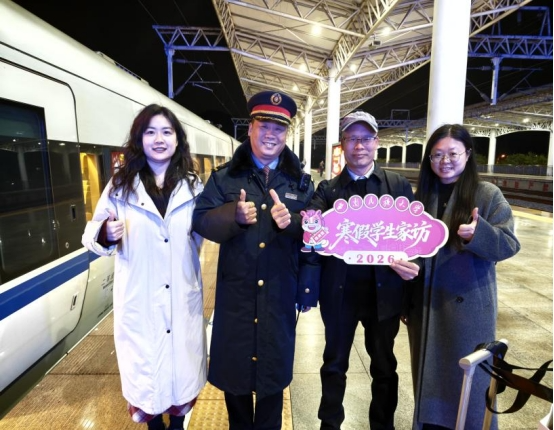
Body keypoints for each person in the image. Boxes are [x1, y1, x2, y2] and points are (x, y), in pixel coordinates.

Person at [192, 90, 317, 430]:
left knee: (272, 385)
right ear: (250, 128)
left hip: (279, 296)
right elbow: (200, 220)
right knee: (235, 384)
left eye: (279, 128)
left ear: (286, 134)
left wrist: (293, 225)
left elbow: (317, 237)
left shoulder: (301, 182)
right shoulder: (224, 178)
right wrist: (232, 216)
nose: (271, 134)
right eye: (264, 126)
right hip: (237, 298)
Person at [81, 104, 206, 430]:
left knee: (180, 380)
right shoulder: (119, 186)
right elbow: (89, 235)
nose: (159, 139)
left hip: (182, 296)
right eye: (150, 132)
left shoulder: (193, 186)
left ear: (177, 139)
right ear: (139, 139)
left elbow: (203, 233)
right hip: (140, 300)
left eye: (166, 132)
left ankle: (177, 425)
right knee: (148, 384)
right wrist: (105, 234)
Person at [303, 110, 420, 430]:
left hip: (385, 296)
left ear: (376, 142)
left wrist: (413, 271)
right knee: (334, 364)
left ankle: (383, 425)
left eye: (366, 138)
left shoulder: (397, 186)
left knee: (384, 366)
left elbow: (414, 238)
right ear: (342, 144)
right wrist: (306, 222)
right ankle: (329, 425)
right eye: (352, 139)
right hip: (339, 295)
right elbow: (311, 228)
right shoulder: (327, 190)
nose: (359, 146)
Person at [404, 124, 521, 430]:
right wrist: (406, 267)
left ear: (468, 155)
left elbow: (509, 244)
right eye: (437, 154)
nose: (445, 161)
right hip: (426, 307)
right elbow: (412, 246)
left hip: (467, 311)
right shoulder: (422, 197)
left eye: (453, 153)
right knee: (430, 386)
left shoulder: (487, 194)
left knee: (469, 388)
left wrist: (477, 234)